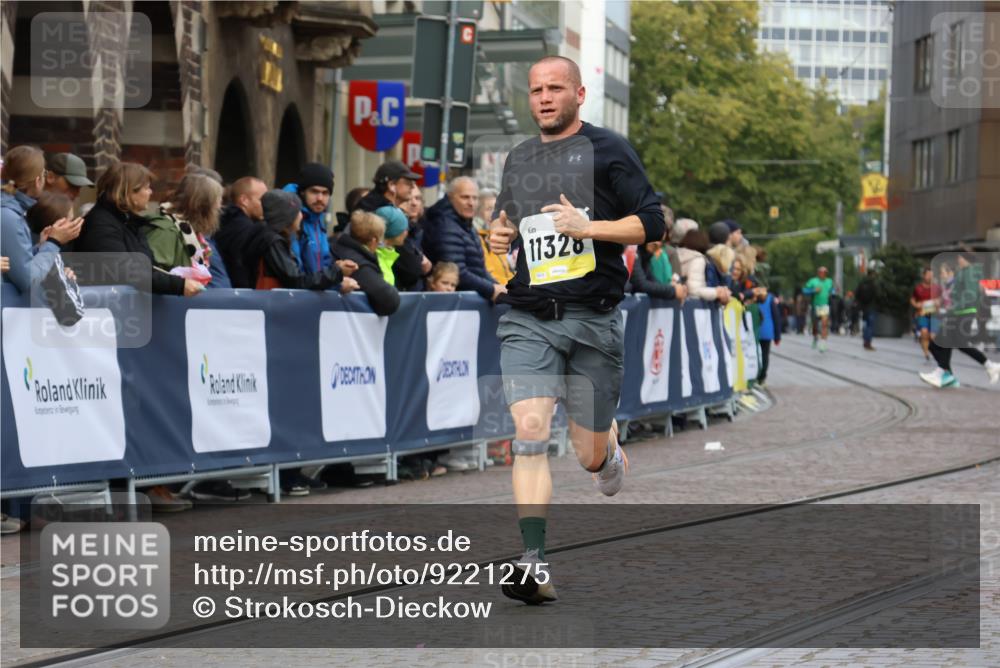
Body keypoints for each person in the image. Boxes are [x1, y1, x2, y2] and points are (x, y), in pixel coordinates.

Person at [487, 55, 665, 605]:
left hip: (593, 321)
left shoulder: (608, 150)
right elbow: (508, 225)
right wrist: (497, 238)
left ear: (579, 94)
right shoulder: (518, 158)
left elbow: (652, 223)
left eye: (555, 88)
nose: (543, 97)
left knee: (587, 456)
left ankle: (606, 449)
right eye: (536, 89)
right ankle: (533, 561)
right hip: (529, 319)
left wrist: (590, 227)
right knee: (531, 434)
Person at [73, 161, 203, 296]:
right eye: (146, 188)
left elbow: (146, 266)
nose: (150, 192)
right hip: (103, 309)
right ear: (129, 191)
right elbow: (124, 271)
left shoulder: (128, 221)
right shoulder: (101, 225)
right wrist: (178, 285)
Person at [1, 146, 83, 294]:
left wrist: (41, 247)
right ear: (38, 180)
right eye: (44, 173)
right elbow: (27, 281)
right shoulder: (10, 217)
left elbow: (16, 265)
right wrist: (53, 243)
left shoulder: (12, 212)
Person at [251, 189, 358, 292]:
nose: (301, 216)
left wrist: (335, 270)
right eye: (297, 212)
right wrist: (336, 272)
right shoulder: (273, 242)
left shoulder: (272, 238)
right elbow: (297, 281)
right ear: (287, 217)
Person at [920, 252, 1000, 387]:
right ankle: (987, 366)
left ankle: (944, 373)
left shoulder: (969, 272)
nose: (958, 260)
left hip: (961, 313)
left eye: (960, 257)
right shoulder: (967, 272)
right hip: (960, 312)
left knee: (942, 342)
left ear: (965, 259)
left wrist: (953, 309)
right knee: (953, 343)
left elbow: (970, 295)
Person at [425, 176, 504, 302]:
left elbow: (479, 269)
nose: (471, 203)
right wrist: (491, 289)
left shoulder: (465, 224)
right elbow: (457, 272)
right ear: (450, 197)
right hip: (452, 304)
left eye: (475, 198)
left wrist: (499, 287)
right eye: (465, 197)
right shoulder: (446, 226)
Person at [355, 162, 428, 290]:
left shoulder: (380, 207)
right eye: (407, 182)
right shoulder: (382, 214)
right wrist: (418, 261)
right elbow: (409, 267)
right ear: (391, 185)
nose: (413, 186)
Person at [143, 173, 224, 286]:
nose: (219, 207)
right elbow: (150, 274)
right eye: (218, 200)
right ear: (204, 205)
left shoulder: (191, 231)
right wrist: (181, 285)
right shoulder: (166, 230)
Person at [331, 210, 401, 316]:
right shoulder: (359, 263)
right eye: (379, 240)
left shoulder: (340, 246)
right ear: (373, 240)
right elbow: (388, 299)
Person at [282, 162, 335, 275]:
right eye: (314, 191)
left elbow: (324, 263)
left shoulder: (318, 220)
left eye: (325, 193)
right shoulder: (291, 219)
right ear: (302, 192)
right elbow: (296, 274)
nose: (320, 198)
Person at [215, 176, 268, 288]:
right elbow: (240, 267)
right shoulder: (246, 229)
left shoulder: (223, 221)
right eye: (262, 200)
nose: (266, 205)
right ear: (244, 200)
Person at [629, 229, 687, 302]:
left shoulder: (646, 255)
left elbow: (651, 280)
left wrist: (674, 288)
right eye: (654, 238)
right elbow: (641, 284)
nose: (657, 244)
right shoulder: (632, 249)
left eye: (661, 241)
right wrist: (673, 291)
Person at [473, 187, 515, 286]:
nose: (494, 213)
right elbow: (490, 275)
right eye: (489, 209)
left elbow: (507, 273)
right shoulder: (478, 238)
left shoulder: (495, 236)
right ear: (478, 212)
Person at [911, 267, 942, 361]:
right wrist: (917, 304)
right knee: (924, 332)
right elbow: (912, 299)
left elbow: (943, 298)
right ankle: (926, 353)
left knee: (932, 336)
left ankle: (928, 347)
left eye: (932, 275)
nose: (930, 277)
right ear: (924, 276)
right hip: (922, 314)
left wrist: (938, 302)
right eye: (928, 275)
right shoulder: (918, 288)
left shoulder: (937, 287)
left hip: (935, 314)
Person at [803, 266, 834, 352]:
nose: (823, 274)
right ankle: (815, 337)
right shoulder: (813, 281)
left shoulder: (829, 281)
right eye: (821, 272)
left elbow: (832, 290)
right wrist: (813, 290)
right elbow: (805, 290)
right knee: (815, 325)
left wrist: (833, 293)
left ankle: (823, 343)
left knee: (824, 324)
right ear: (818, 273)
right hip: (815, 305)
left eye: (824, 273)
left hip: (824, 305)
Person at [757, 289, 781, 386]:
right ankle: (762, 378)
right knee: (765, 355)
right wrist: (777, 336)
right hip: (767, 332)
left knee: (756, 354)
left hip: (755, 331)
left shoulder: (754, 299)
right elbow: (776, 318)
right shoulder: (771, 300)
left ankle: (757, 375)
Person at [855, 270, 878, 351]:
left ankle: (865, 341)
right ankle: (868, 342)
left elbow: (857, 295)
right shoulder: (873, 284)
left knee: (865, 325)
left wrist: (860, 305)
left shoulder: (861, 284)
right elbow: (877, 295)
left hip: (864, 308)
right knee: (870, 326)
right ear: (872, 274)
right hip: (871, 307)